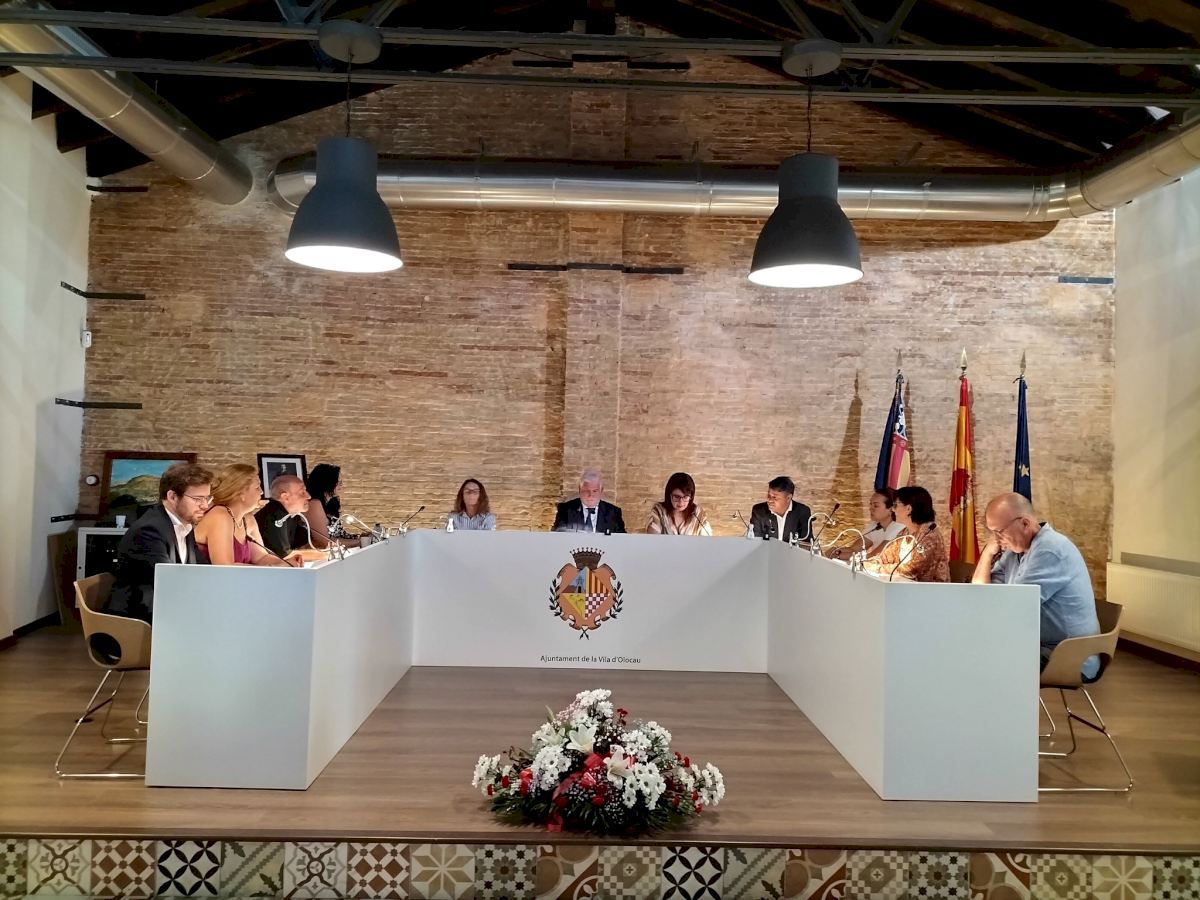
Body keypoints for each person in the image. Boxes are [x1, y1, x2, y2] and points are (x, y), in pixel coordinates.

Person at [973, 492, 1101, 679]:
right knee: (974, 653)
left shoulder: (1049, 550)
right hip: (1038, 644)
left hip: (1066, 655)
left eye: (999, 531)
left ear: (1025, 523)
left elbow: (1010, 610)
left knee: (981, 660)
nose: (996, 539)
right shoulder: (1015, 550)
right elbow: (982, 592)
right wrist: (987, 554)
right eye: (992, 532)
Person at [106, 462, 215, 623]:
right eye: (198, 499)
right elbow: (169, 582)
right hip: (138, 620)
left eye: (207, 498)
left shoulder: (184, 524)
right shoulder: (149, 531)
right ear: (172, 497)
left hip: (166, 609)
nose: (205, 506)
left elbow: (201, 570)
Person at [193, 464, 295, 567]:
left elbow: (261, 557)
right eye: (257, 487)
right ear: (241, 493)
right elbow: (225, 566)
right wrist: (270, 568)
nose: (261, 492)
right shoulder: (220, 516)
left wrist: (287, 564)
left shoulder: (247, 519)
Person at [863, 485, 950, 582]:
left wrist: (878, 568)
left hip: (931, 590)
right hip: (905, 587)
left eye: (895, 505)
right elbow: (885, 557)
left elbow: (911, 571)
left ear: (909, 509)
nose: (892, 510)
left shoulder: (929, 535)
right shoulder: (904, 532)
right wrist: (869, 563)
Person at [255, 474, 327, 562]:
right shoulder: (273, 516)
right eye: (302, 492)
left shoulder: (291, 515)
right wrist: (325, 555)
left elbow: (306, 544)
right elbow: (285, 556)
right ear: (285, 497)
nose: (308, 496)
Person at [829, 488, 905, 560]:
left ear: (891, 509)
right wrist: (835, 551)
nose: (870, 508)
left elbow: (875, 556)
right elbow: (854, 549)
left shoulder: (899, 526)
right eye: (870, 504)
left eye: (876, 506)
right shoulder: (875, 525)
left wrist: (839, 555)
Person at [552, 469, 626, 534]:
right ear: (580, 490)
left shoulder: (613, 513)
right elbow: (557, 537)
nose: (590, 495)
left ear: (601, 491)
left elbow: (622, 540)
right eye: (586, 491)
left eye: (595, 491)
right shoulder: (566, 510)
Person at [645, 472, 712, 535]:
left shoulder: (697, 513)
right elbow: (653, 537)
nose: (681, 502)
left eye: (685, 497)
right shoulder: (659, 510)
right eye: (677, 497)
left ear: (691, 496)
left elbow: (707, 539)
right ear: (669, 495)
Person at [749, 476, 813, 542]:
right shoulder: (759, 511)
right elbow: (755, 542)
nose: (769, 500)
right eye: (769, 495)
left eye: (775, 497)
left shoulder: (802, 512)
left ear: (788, 498)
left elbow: (806, 543)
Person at [304, 463, 343, 549]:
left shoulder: (330, 504)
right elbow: (324, 541)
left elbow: (339, 536)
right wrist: (359, 541)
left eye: (341, 482)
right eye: (337, 481)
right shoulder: (314, 504)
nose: (341, 484)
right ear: (325, 482)